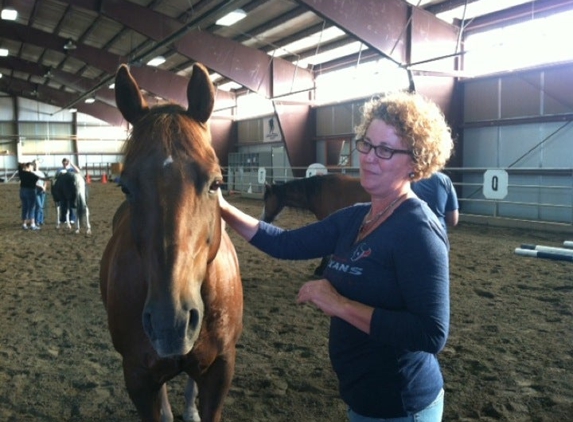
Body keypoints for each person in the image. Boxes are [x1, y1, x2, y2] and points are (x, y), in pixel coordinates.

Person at [218, 91, 453, 422]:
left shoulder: (418, 231)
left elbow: (430, 333)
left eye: (385, 149)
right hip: (362, 399)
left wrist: (338, 304)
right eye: (366, 144)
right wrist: (223, 208)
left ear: (416, 162)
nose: (369, 157)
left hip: (401, 404)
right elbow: (284, 244)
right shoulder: (355, 217)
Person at [18, 162, 48, 230]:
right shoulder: (32, 175)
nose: (32, 168)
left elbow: (19, 166)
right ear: (29, 167)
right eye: (31, 167)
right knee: (32, 208)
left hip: (22, 191)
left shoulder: (21, 173)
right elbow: (42, 179)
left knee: (24, 207)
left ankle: (24, 224)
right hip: (30, 191)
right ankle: (32, 224)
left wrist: (22, 164)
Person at [56, 158, 81, 223]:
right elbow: (57, 176)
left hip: (70, 189)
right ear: (62, 163)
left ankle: (72, 218)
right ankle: (63, 219)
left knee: (71, 204)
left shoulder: (71, 169)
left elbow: (78, 171)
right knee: (63, 204)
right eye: (64, 163)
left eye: (66, 163)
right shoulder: (60, 170)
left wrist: (71, 163)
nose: (65, 164)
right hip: (62, 190)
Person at [32, 159, 47, 226]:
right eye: (35, 163)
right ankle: (37, 220)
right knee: (39, 206)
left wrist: (44, 187)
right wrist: (40, 186)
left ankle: (41, 220)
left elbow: (45, 181)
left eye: (37, 163)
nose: (36, 164)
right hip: (36, 191)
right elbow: (32, 182)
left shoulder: (42, 173)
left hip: (42, 191)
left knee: (41, 206)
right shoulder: (32, 173)